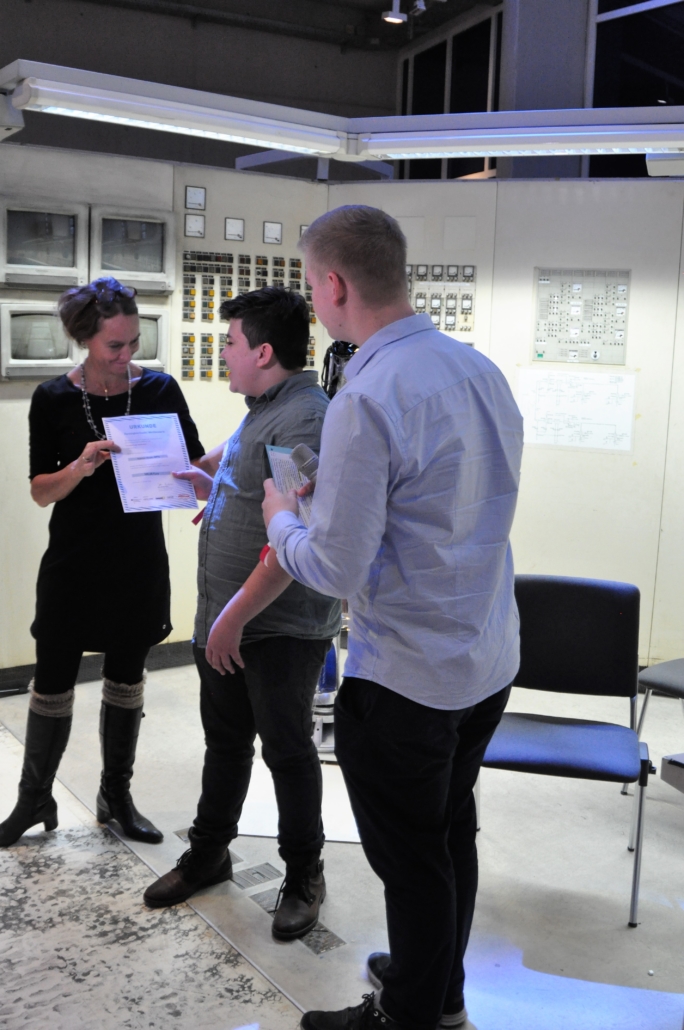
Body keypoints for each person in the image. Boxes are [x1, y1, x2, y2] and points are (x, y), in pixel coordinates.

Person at [262, 206, 524, 1030]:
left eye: (312, 287)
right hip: (484, 659)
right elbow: (441, 507)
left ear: (335, 285)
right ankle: (436, 989)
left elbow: (335, 568)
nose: (314, 302)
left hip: (406, 677)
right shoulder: (478, 369)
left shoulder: (368, 395)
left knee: (412, 861)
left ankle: (407, 1015)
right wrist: (332, 502)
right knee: (447, 836)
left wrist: (282, 517)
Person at [143, 287, 340, 942]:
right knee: (226, 744)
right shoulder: (265, 409)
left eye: (229, 343)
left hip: (276, 627)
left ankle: (304, 874)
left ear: (262, 352)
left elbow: (296, 536)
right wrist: (211, 482)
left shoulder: (304, 420)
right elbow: (249, 474)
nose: (222, 352)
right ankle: (208, 854)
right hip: (227, 619)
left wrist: (230, 620)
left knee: (287, 750)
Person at [0, 277, 205, 849]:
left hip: (137, 561)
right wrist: (81, 466)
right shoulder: (53, 398)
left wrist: (200, 478)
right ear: (84, 339)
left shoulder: (160, 389)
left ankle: (116, 795)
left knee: (126, 677)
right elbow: (41, 491)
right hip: (73, 561)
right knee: (52, 679)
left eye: (134, 341)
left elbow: (193, 463)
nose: (126, 354)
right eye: (115, 345)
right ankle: (34, 798)